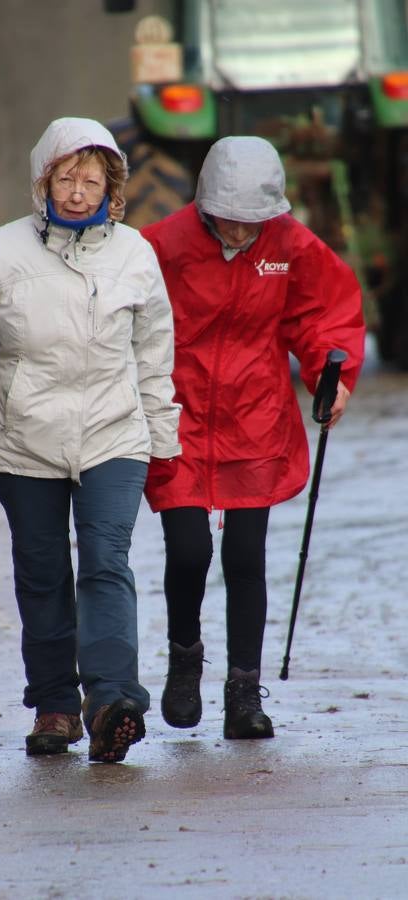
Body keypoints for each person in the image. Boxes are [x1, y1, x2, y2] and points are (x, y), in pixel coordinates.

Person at [0, 118, 181, 763]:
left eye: (91, 180)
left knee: (104, 564)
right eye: (65, 177)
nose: (76, 191)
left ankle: (113, 701)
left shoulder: (134, 254)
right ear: (44, 178)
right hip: (26, 443)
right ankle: (56, 705)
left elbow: (154, 356)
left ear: (111, 185)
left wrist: (164, 439)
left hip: (113, 436)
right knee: (41, 577)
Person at [141, 135, 365, 740]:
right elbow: (126, 313)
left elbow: (325, 316)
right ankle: (184, 657)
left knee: (245, 557)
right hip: (178, 415)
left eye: (251, 225)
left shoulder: (291, 246)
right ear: (205, 207)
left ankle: (244, 692)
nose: (239, 235)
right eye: (227, 222)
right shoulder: (162, 244)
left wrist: (330, 379)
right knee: (188, 550)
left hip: (254, 414)